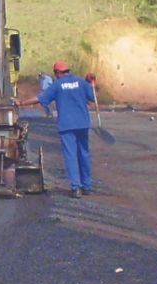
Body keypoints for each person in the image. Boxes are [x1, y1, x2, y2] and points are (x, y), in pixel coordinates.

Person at [14, 60, 96, 197]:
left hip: (67, 125)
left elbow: (40, 98)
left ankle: (76, 187)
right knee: (83, 154)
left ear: (57, 73)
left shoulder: (57, 85)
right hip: (82, 123)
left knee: (71, 156)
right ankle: (86, 186)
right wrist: (90, 83)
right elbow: (92, 98)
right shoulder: (81, 82)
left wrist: (21, 103)